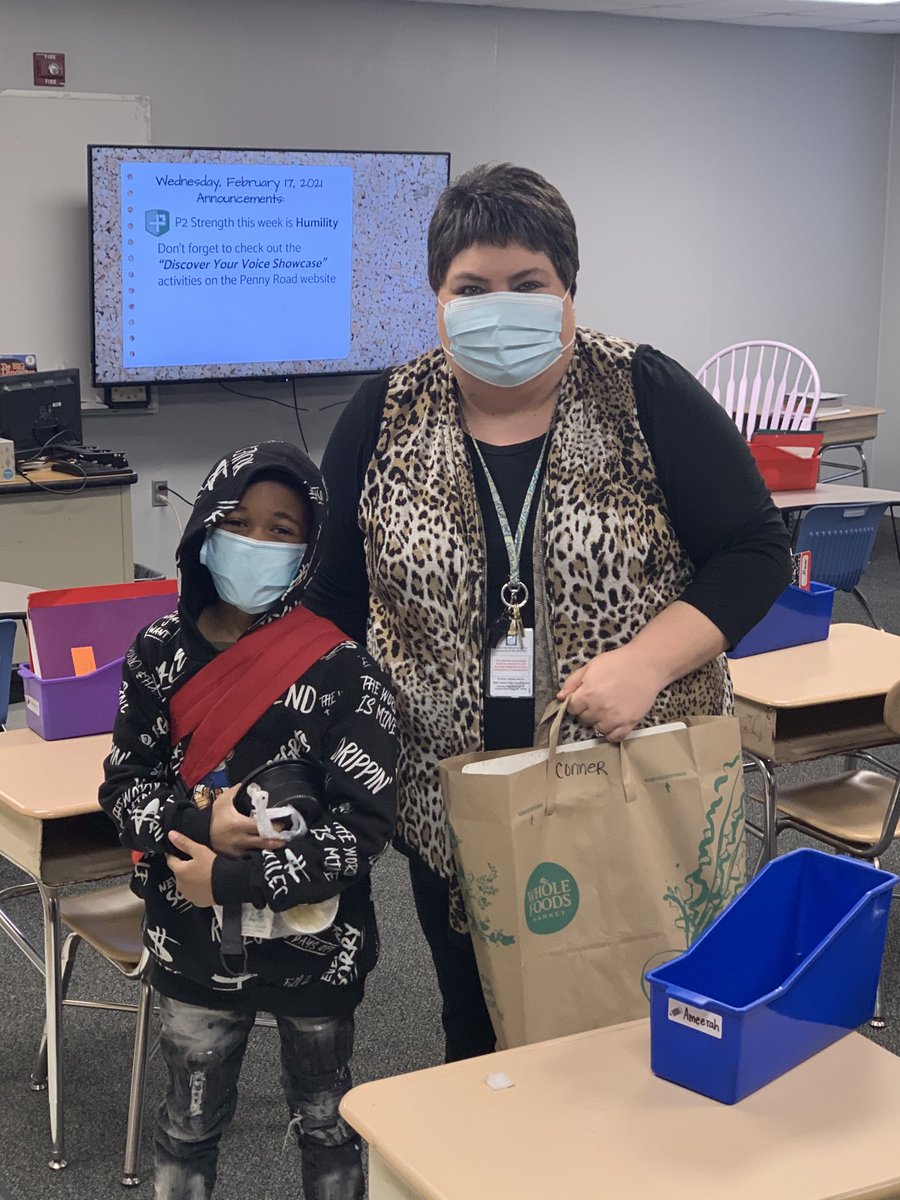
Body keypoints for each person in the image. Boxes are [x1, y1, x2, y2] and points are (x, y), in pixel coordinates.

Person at [304, 163, 792, 1063]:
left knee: (634, 1030)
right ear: (436, 298)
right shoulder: (383, 414)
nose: (501, 306)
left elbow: (757, 549)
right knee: (479, 1033)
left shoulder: (643, 393)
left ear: (568, 289)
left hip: (630, 786)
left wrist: (645, 663)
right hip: (453, 804)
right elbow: (331, 600)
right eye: (472, 287)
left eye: (528, 285)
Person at [99, 441, 396, 1200]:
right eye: (238, 521)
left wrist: (232, 875)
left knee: (329, 1121)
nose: (256, 543)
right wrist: (200, 825)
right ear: (202, 527)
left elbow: (362, 830)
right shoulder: (158, 653)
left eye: (282, 528)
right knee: (188, 1125)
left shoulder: (344, 671)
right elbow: (125, 788)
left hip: (316, 948)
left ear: (309, 545)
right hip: (192, 948)